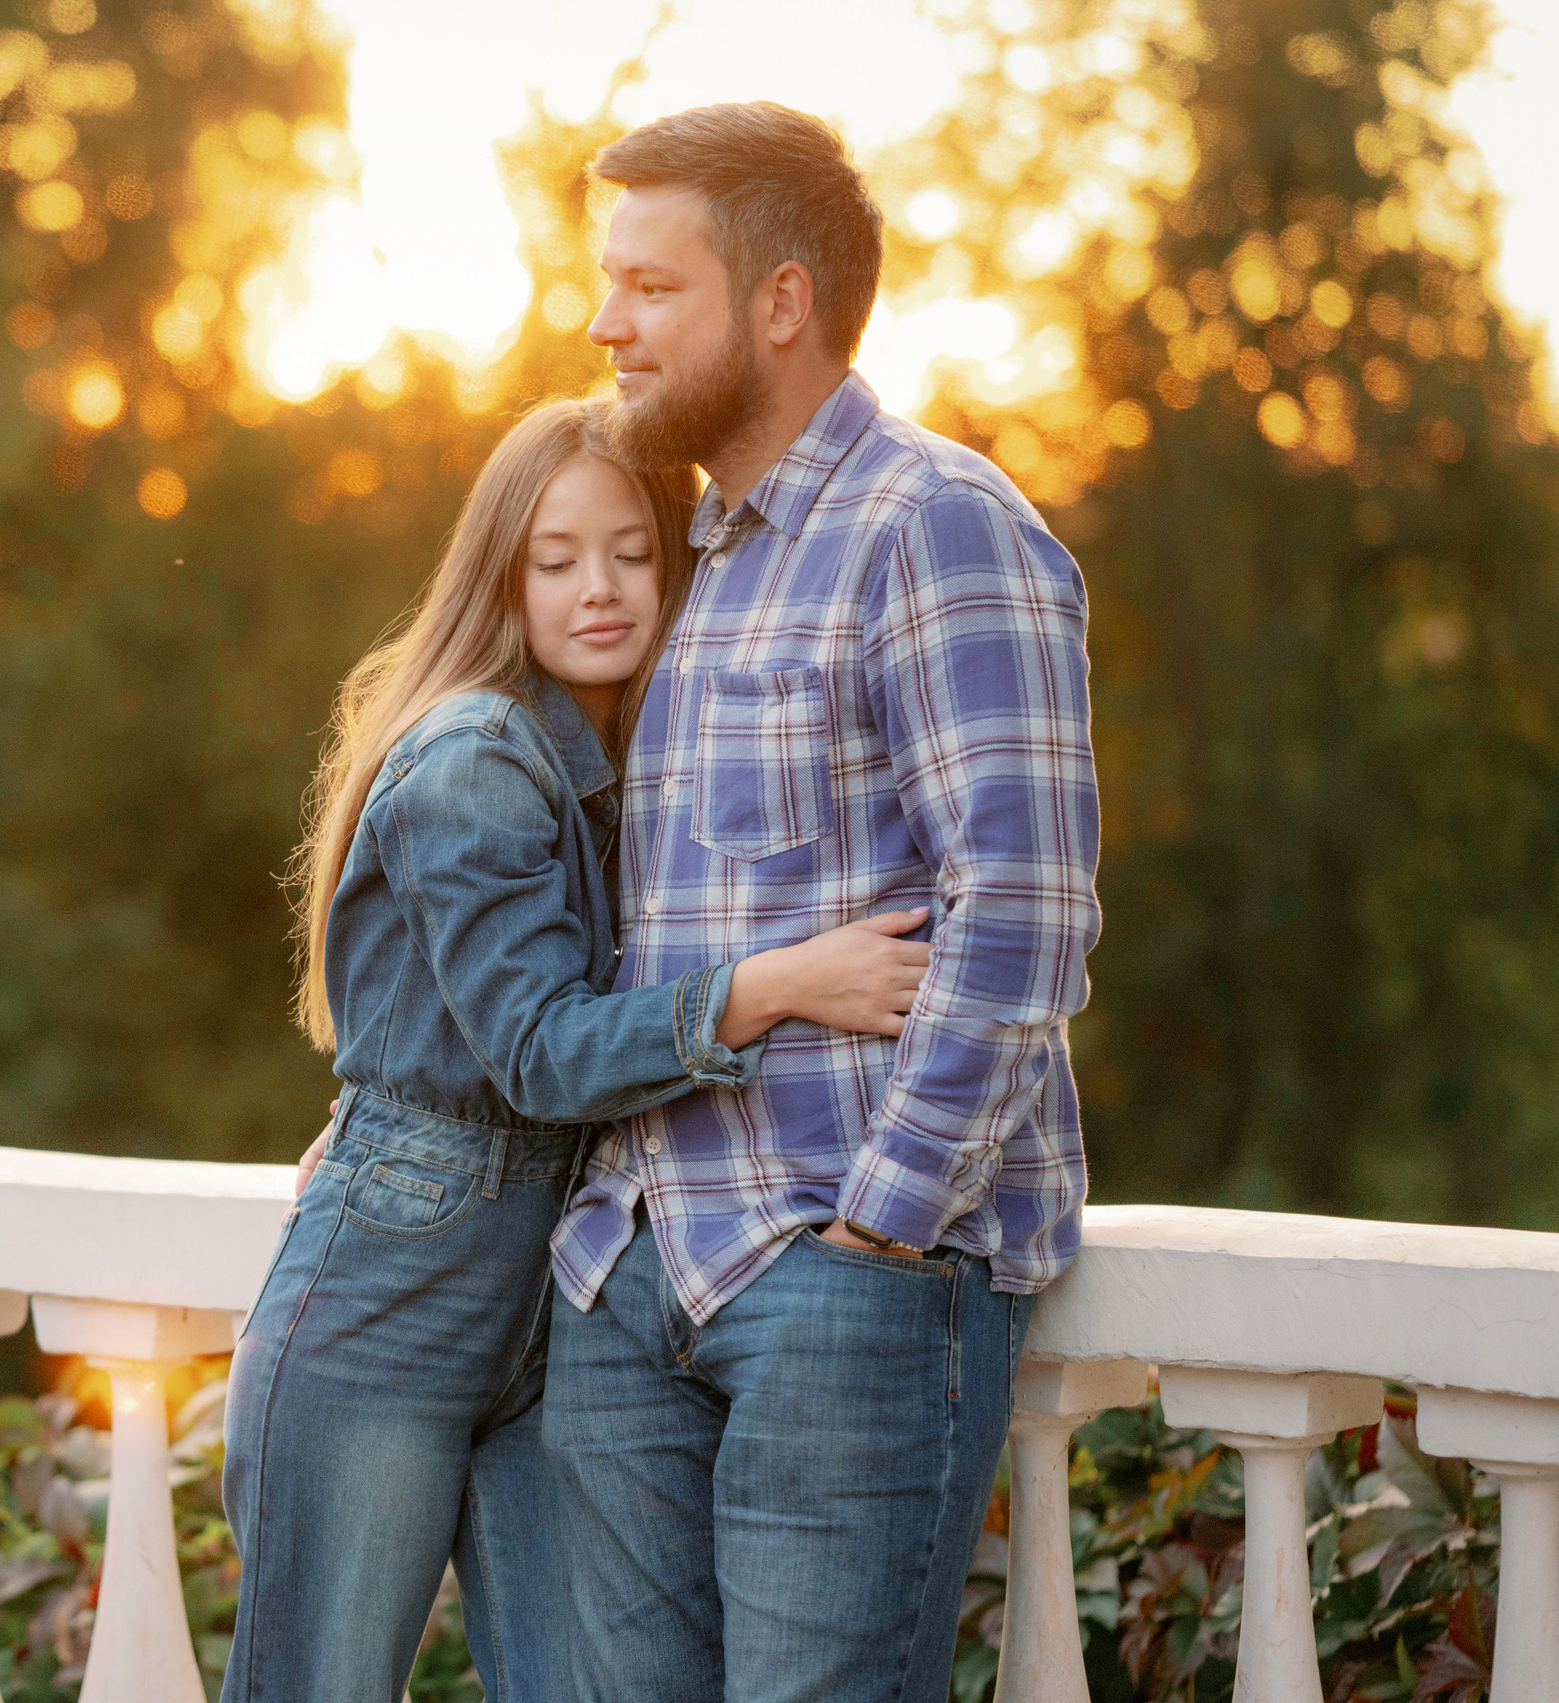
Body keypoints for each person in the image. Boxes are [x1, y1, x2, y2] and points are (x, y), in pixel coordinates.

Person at [220, 396, 940, 1703]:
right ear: (502, 577)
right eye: (555, 561)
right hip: (389, 1309)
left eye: (631, 553)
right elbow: (543, 1056)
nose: (599, 590)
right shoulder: (478, 757)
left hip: (546, 1314)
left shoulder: (612, 769)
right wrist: (781, 985)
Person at [540, 102, 1103, 1703]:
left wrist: (882, 1231)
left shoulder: (939, 528)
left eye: (651, 286)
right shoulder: (694, 553)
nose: (605, 323)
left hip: (835, 1274)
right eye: (608, 281)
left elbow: (1026, 911)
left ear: (779, 301)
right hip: (632, 1261)